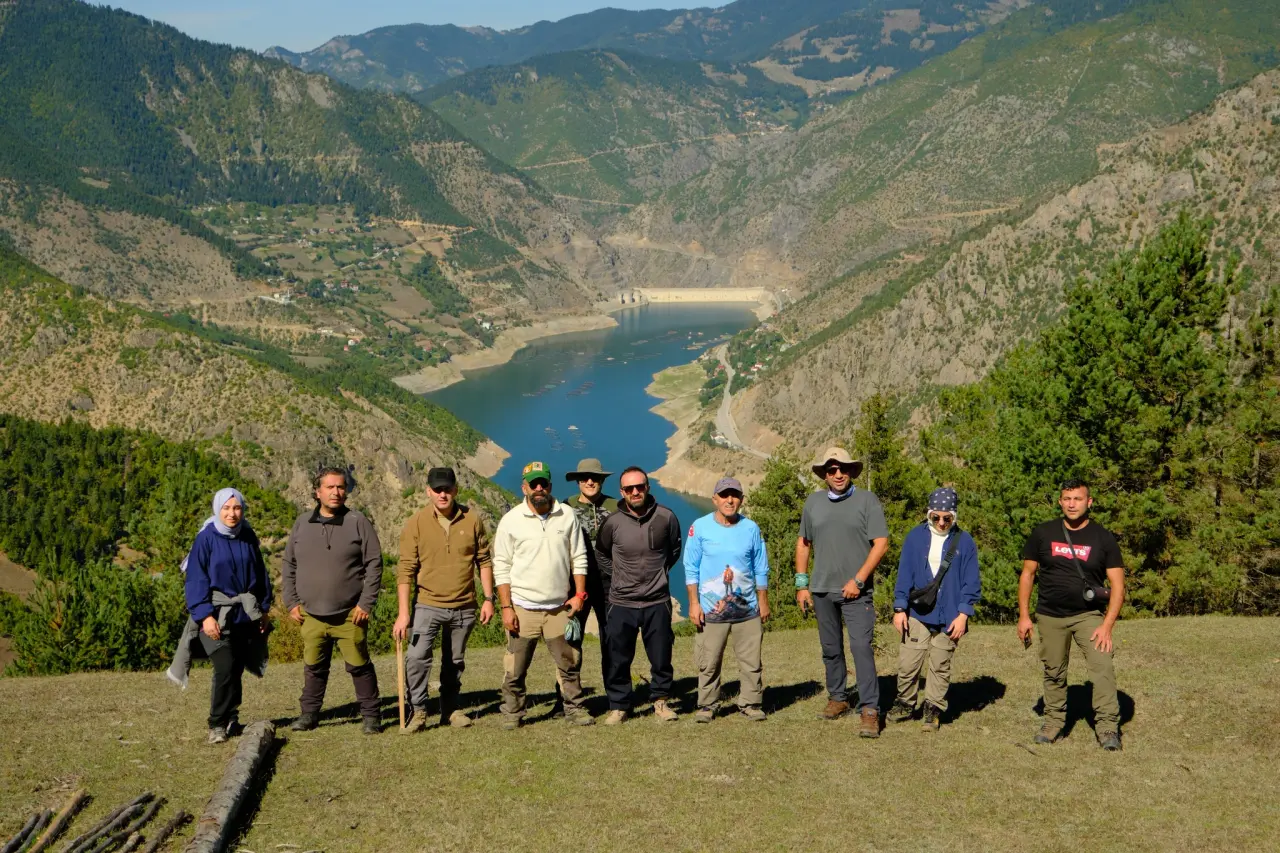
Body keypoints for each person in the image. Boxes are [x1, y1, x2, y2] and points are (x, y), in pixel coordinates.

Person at [1018, 478, 1126, 751]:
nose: (1072, 504)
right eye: (1067, 499)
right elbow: (1028, 574)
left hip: (1088, 616)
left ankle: (1107, 727)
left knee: (1102, 668)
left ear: (1089, 502)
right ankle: (1053, 723)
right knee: (1054, 671)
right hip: (1050, 616)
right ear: (1060, 502)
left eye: (1078, 499)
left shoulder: (1103, 537)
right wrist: (1024, 616)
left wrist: (1107, 626)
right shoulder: (1043, 533)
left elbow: (1118, 586)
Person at [795, 447, 889, 738]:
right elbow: (804, 543)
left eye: (843, 469)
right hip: (821, 589)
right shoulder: (813, 503)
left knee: (861, 647)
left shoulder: (867, 500)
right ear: (824, 475)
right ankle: (838, 697)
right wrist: (801, 584)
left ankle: (870, 709)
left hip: (856, 592)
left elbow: (881, 543)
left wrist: (858, 581)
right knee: (830, 648)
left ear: (851, 471)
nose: (838, 474)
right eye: (832, 470)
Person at [282, 467, 384, 735]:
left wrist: (366, 603)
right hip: (310, 614)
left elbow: (374, 564)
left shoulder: (358, 522)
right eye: (330, 487)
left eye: (341, 487)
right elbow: (289, 564)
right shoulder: (302, 523)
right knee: (314, 667)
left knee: (359, 666)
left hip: (350, 614)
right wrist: (291, 601)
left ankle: (371, 716)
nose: (336, 492)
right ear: (318, 492)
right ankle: (309, 715)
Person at [393, 466, 494, 733]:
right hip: (427, 605)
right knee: (417, 658)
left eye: (447, 489)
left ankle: (450, 709)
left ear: (455, 490)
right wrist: (403, 614)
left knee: (454, 662)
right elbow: (405, 570)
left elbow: (484, 560)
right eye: (437, 489)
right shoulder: (416, 523)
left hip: (464, 606)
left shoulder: (472, 519)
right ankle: (418, 710)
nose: (442, 494)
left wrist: (488, 598)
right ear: (428, 491)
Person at [493, 461, 592, 729]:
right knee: (515, 667)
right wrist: (506, 607)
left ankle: (574, 708)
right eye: (533, 484)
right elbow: (501, 566)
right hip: (522, 608)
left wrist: (579, 594)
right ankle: (513, 712)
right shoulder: (511, 520)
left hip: (558, 608)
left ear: (550, 485)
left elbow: (578, 556)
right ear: (524, 487)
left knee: (569, 662)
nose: (539, 488)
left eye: (543, 483)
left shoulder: (567, 515)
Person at [180, 488, 273, 744]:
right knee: (225, 666)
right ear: (217, 509)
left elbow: (260, 573)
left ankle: (232, 716)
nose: (232, 514)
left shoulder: (247, 535)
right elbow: (196, 579)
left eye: (237, 508)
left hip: (243, 614)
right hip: (215, 614)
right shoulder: (206, 539)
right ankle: (216, 724)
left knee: (237, 667)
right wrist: (205, 616)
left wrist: (264, 609)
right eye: (226, 508)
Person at [595, 466, 683, 725]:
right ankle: (619, 706)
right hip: (622, 602)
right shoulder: (613, 522)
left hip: (657, 601)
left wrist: (659, 574)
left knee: (661, 655)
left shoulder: (666, 517)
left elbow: (674, 550)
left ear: (647, 487)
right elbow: (601, 554)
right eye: (629, 488)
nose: (635, 492)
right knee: (618, 657)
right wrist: (619, 575)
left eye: (640, 486)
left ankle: (661, 701)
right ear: (622, 492)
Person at [888, 487, 981, 732]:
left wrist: (963, 615)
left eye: (947, 518)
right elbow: (904, 574)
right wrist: (899, 608)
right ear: (928, 514)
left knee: (940, 664)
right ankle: (905, 703)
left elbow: (971, 582)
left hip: (950, 614)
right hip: (917, 612)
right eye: (935, 517)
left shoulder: (965, 541)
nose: (941, 523)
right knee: (909, 663)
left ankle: (933, 709)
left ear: (954, 516)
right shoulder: (914, 537)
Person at [684, 477, 770, 723]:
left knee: (751, 660)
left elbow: (760, 566)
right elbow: (691, 567)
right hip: (711, 610)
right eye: (724, 495)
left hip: (748, 608)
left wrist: (763, 601)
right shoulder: (700, 527)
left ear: (741, 499)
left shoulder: (751, 528)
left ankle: (751, 703)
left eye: (734, 495)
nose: (729, 500)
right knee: (708, 660)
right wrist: (694, 603)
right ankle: (707, 704)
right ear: (715, 499)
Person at [562, 457, 616, 685]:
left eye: (595, 478)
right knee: (571, 638)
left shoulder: (616, 507)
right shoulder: (565, 507)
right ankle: (567, 695)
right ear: (578, 481)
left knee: (612, 638)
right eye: (585, 478)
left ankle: (616, 695)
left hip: (609, 584)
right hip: (575, 584)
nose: (590, 482)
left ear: (602, 480)